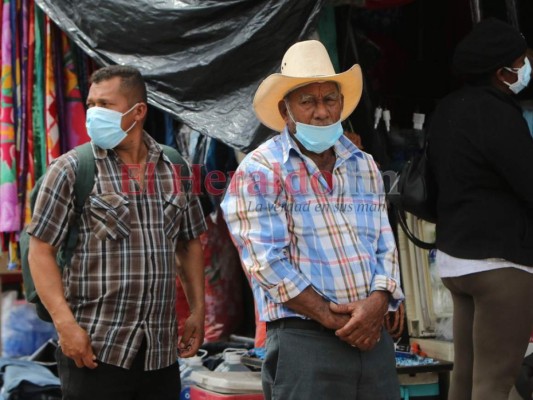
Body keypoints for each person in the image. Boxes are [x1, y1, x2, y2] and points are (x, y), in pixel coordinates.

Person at [221, 40, 404, 400]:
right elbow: (266, 262)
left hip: (371, 337)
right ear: (285, 110)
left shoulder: (362, 163)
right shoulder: (260, 170)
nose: (321, 112)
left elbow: (385, 241)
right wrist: (331, 317)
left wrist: (380, 299)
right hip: (304, 340)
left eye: (329, 100)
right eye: (308, 101)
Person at [27, 65, 207, 400]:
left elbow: (189, 243)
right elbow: (40, 251)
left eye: (105, 105)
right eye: (91, 104)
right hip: (95, 351)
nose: (93, 113)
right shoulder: (71, 169)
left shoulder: (174, 168)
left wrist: (198, 310)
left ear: (137, 112)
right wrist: (65, 325)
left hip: (160, 353)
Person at [427, 18, 533, 400]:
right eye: (522, 61)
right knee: (494, 384)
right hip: (500, 265)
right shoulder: (499, 115)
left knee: (465, 377)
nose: (525, 68)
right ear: (502, 70)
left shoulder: (448, 109)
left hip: (456, 262)